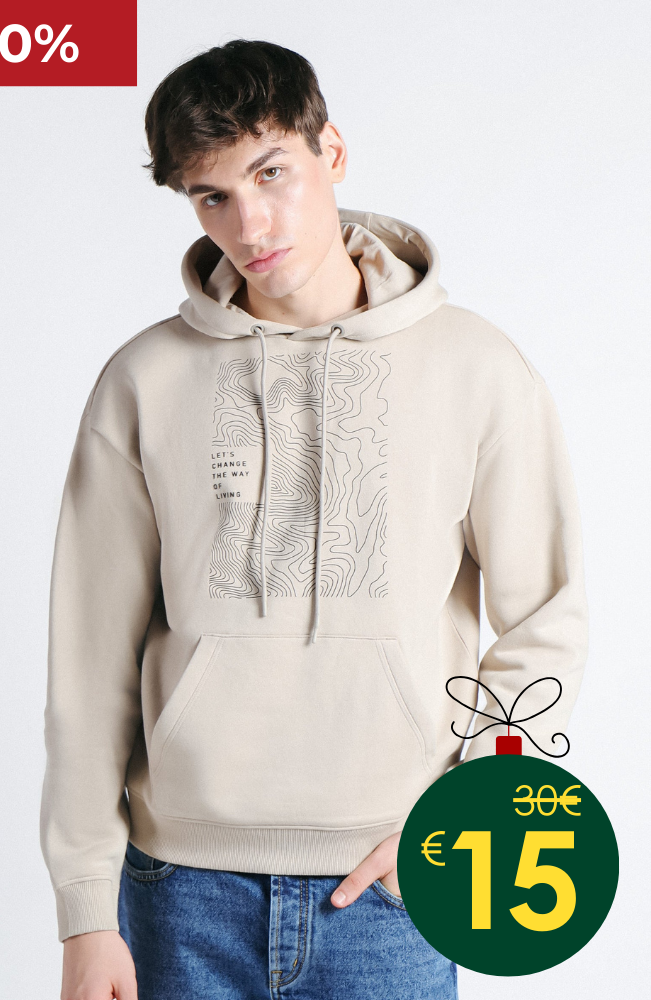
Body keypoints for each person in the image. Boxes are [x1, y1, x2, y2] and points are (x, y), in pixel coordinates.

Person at [39, 38, 589, 1000]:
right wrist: (86, 908)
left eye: (270, 173)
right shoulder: (144, 380)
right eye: (212, 196)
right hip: (179, 892)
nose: (249, 224)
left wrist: (468, 820)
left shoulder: (477, 368)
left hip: (396, 889)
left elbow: (547, 621)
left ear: (330, 150)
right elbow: (87, 660)